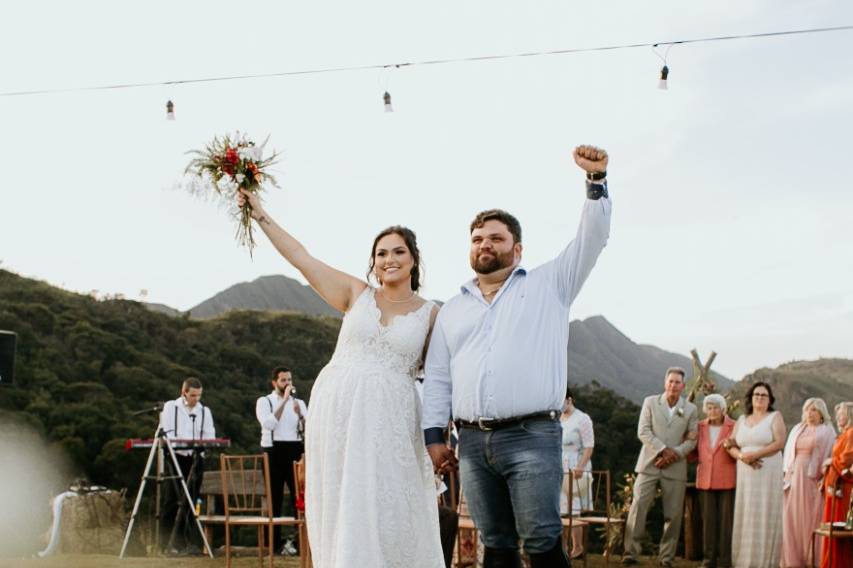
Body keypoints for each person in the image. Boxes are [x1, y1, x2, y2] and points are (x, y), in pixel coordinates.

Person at [423, 144, 612, 568]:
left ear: (518, 249)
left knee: (542, 539)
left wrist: (596, 182)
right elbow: (437, 377)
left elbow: (592, 239)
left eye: (495, 238)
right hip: (470, 443)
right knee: (497, 544)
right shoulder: (452, 309)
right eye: (477, 239)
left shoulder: (550, 285)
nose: (484, 244)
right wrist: (435, 438)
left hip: (530, 436)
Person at [238, 187, 445, 568]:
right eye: (381, 253)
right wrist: (260, 213)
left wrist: (441, 435)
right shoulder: (356, 294)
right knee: (343, 501)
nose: (389, 259)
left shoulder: (432, 314)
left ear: (414, 259)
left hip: (393, 418)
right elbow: (302, 258)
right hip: (338, 411)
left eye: (398, 251)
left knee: (390, 504)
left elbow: (439, 380)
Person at [621, 367, 698, 567]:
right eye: (670, 381)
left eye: (677, 382)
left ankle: (666, 557)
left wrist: (675, 454)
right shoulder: (650, 402)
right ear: (665, 383)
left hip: (675, 467)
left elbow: (692, 440)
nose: (673, 385)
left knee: (673, 515)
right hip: (648, 464)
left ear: (683, 386)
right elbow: (643, 431)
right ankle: (630, 552)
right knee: (638, 509)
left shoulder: (690, 409)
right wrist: (664, 450)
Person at [723, 381, 786, 568]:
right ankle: (743, 560)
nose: (759, 398)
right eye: (756, 394)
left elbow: (779, 442)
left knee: (765, 511)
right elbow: (729, 444)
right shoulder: (742, 420)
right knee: (746, 511)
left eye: (763, 395)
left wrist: (755, 455)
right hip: (745, 472)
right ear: (751, 398)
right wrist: (742, 456)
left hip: (767, 469)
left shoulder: (775, 417)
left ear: (769, 399)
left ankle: (764, 561)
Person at [159, 377, 216, 553]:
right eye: (192, 395)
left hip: (196, 457)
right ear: (184, 392)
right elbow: (166, 431)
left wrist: (202, 447)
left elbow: (209, 434)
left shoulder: (204, 411)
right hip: (176, 456)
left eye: (199, 395)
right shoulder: (171, 407)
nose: (196, 399)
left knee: (191, 500)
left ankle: (184, 542)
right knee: (171, 500)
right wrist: (180, 443)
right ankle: (164, 543)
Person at [256, 366, 308, 556]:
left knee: (299, 497)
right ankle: (274, 545)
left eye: (289, 380)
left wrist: (300, 414)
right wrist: (284, 401)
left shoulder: (299, 403)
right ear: (275, 382)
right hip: (273, 449)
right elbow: (268, 423)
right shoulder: (265, 401)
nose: (287, 383)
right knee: (275, 498)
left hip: (294, 449)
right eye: (283, 380)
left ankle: (299, 543)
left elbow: (308, 427)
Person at [781, 398, 835, 568]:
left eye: (814, 410)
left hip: (813, 479)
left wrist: (823, 477)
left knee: (813, 517)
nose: (810, 414)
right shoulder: (797, 429)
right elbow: (790, 453)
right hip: (794, 476)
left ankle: (813, 558)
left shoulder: (827, 431)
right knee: (793, 517)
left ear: (821, 413)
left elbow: (830, 455)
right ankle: (793, 560)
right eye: (807, 410)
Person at [691, 393, 736, 568]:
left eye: (716, 407)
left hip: (727, 480)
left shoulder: (734, 426)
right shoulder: (699, 427)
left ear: (723, 409)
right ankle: (708, 560)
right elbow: (694, 451)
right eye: (709, 408)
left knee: (726, 524)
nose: (712, 411)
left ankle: (725, 561)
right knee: (708, 523)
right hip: (705, 480)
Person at [560, 386, 594, 560]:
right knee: (561, 509)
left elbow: (589, 445)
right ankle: (563, 547)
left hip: (576, 465)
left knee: (574, 510)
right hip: (560, 466)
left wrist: (581, 466)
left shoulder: (582, 419)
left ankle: (578, 547)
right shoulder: (558, 419)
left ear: (569, 400)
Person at [820, 401, 853, 568]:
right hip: (833, 484)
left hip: (842, 486)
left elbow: (847, 459)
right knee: (831, 526)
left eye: (843, 414)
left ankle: (839, 563)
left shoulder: (852, 433)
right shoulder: (843, 435)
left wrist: (831, 461)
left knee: (839, 526)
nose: (839, 417)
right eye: (838, 414)